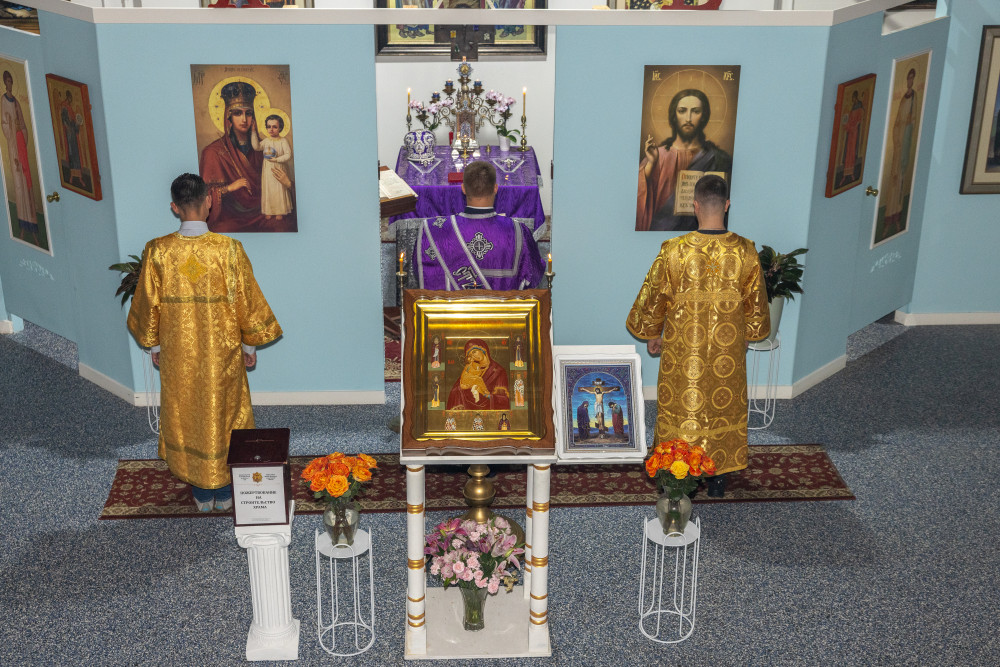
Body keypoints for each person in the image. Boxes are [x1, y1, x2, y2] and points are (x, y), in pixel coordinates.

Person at [127, 173, 283, 512]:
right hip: (221, 354)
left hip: (178, 354)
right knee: (224, 412)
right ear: (208, 201)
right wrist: (249, 346)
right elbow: (247, 301)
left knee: (186, 413)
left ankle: (200, 490)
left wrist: (155, 346)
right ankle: (224, 491)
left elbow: (148, 304)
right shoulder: (228, 250)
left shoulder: (158, 251)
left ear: (174, 207)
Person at [627, 174, 769, 497]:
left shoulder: (675, 250)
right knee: (723, 406)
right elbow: (757, 304)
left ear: (695, 206)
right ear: (727, 205)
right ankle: (718, 478)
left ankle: (682, 480)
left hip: (683, 352)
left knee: (684, 409)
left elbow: (654, 295)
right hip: (726, 353)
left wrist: (653, 332)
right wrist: (747, 334)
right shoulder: (746, 251)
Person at [414, 160, 544, 290]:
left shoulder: (433, 231)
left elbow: (420, 274)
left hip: (451, 304)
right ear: (495, 188)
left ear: (463, 189)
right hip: (503, 304)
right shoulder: (519, 232)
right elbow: (534, 276)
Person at [199, 81, 296, 233]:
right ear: (228, 117)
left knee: (283, 227)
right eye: (238, 113)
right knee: (225, 229)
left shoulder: (265, 148)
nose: (244, 119)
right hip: (231, 216)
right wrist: (229, 188)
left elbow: (283, 178)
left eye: (248, 113)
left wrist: (288, 184)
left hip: (265, 210)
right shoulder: (213, 152)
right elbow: (203, 196)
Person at [636, 88, 733, 232]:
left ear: (704, 116)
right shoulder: (658, 155)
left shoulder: (718, 158)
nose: (688, 118)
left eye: (695, 111)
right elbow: (641, 198)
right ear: (674, 115)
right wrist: (651, 164)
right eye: (682, 111)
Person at [1, 69, 39, 245]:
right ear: (4, 83)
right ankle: (22, 227)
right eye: (7, 81)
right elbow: (4, 124)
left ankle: (33, 227)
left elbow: (23, 124)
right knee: (18, 186)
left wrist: (20, 129)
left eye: (11, 81)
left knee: (27, 184)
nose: (9, 83)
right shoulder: (3, 101)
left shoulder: (16, 102)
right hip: (12, 147)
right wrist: (10, 124)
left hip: (20, 145)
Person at [883, 68, 919, 235]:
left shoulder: (914, 98)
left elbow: (913, 120)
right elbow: (897, 120)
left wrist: (907, 127)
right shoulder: (903, 99)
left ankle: (897, 220)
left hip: (905, 144)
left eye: (912, 78)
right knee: (893, 181)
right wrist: (896, 138)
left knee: (901, 182)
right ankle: (888, 220)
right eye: (908, 79)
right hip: (898, 144)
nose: (909, 81)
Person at [446, 338, 510, 410]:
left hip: (488, 410)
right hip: (468, 409)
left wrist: (486, 395)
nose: (473, 356)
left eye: (474, 352)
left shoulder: (498, 371)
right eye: (470, 355)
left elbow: (504, 400)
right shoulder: (471, 368)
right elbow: (456, 391)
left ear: (483, 349)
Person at [258, 114, 293, 222]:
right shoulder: (266, 141)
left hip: (279, 168)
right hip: (268, 170)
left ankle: (279, 211)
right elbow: (256, 147)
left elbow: (288, 155)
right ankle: (269, 211)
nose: (271, 129)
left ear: (280, 128)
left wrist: (277, 159)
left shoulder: (283, 141)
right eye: (269, 126)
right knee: (269, 189)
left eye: (274, 127)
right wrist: (253, 132)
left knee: (278, 189)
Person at [839, 90, 865, 187]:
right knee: (848, 152)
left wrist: (853, 127)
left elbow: (858, 120)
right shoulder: (853, 107)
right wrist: (846, 123)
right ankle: (845, 174)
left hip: (854, 133)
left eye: (853, 98)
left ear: (855, 97)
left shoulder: (859, 107)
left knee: (852, 152)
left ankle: (851, 173)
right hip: (850, 132)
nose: (852, 100)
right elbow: (849, 119)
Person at [59, 90, 85, 188]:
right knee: (71, 155)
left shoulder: (70, 108)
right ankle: (71, 176)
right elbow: (64, 121)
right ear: (68, 97)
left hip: (73, 135)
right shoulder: (65, 108)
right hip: (69, 135)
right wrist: (69, 128)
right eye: (70, 98)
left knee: (76, 155)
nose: (70, 100)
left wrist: (77, 124)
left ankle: (79, 177)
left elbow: (73, 122)